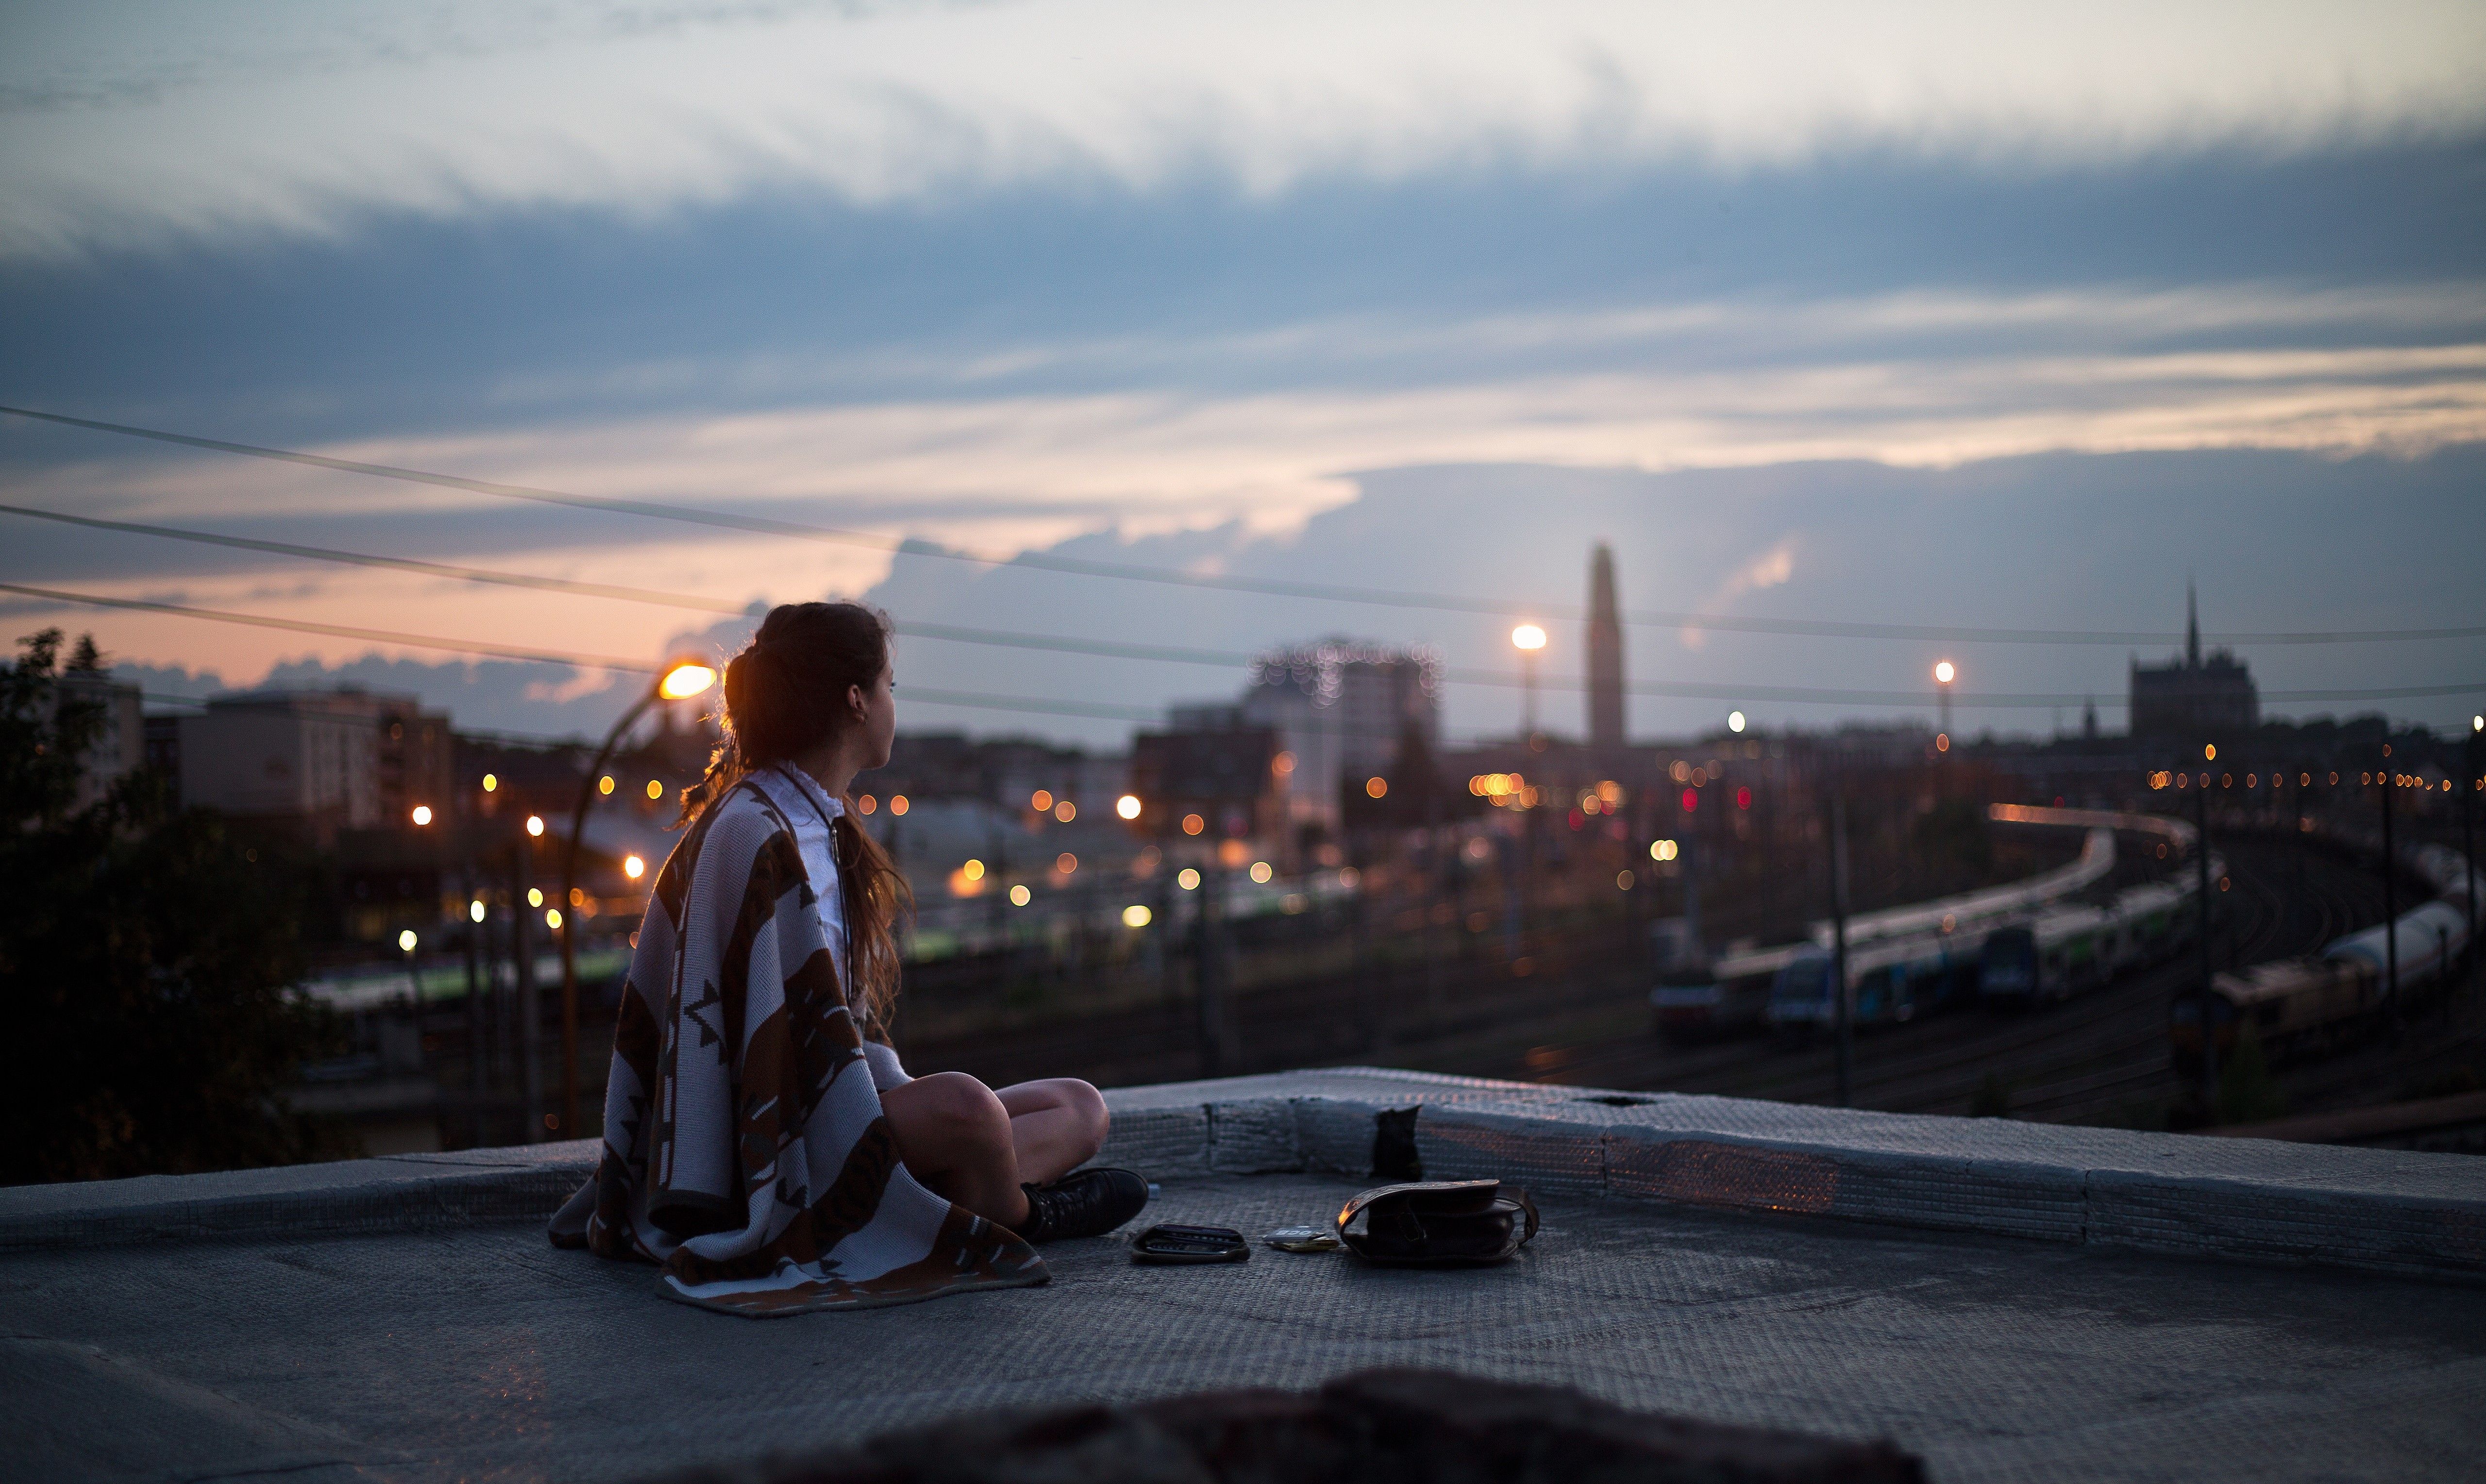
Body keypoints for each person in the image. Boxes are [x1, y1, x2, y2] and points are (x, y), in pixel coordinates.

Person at [549, 601, 1147, 1315]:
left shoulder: (820, 823)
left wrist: (874, 1090)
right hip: (775, 1142)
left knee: (1080, 1106)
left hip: (847, 1102)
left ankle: (960, 1198)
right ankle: (1021, 1217)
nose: (895, 703)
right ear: (857, 700)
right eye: (891, 685)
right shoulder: (753, 829)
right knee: (969, 1108)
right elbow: (747, 1051)